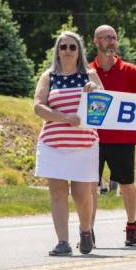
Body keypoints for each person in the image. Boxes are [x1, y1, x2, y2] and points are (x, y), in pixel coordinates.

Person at [33, 31, 103, 256]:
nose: (67, 51)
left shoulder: (89, 75)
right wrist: (64, 118)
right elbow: (38, 106)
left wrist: (93, 93)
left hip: (84, 145)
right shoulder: (49, 76)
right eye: (63, 47)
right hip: (53, 144)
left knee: (82, 195)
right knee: (58, 194)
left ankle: (85, 230)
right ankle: (62, 242)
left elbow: (103, 103)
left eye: (72, 47)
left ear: (79, 50)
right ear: (57, 50)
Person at [90, 25, 136, 247]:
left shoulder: (129, 70)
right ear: (95, 42)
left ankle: (131, 225)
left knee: (127, 184)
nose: (111, 41)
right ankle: (87, 230)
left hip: (123, 137)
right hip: (92, 138)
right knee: (90, 185)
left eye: (114, 38)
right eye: (106, 38)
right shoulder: (87, 70)